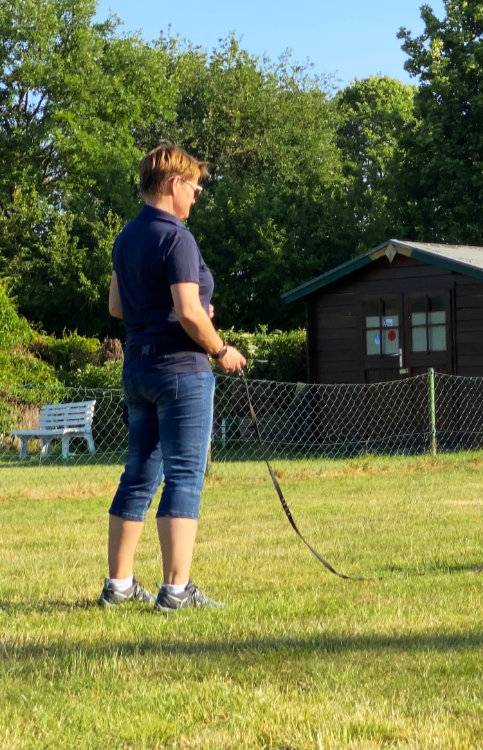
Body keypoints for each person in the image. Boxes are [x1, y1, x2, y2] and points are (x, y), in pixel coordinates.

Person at [99, 142, 246, 612]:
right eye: (195, 187)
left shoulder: (126, 237)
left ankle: (118, 585)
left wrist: (186, 312)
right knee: (184, 474)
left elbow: (117, 308)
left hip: (137, 367)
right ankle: (176, 590)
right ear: (174, 185)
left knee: (138, 475)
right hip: (181, 371)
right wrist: (220, 348)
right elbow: (187, 311)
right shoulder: (176, 237)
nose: (196, 197)